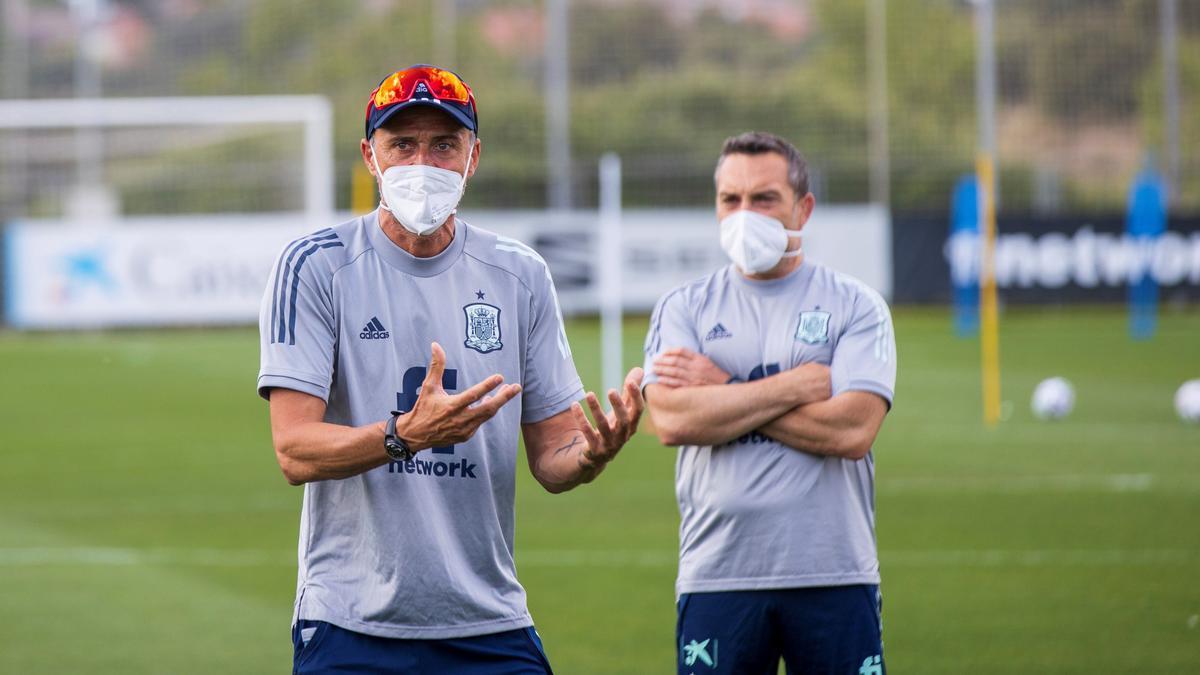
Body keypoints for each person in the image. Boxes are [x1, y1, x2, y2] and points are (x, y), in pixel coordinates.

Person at [257, 64, 644, 674]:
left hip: (489, 623)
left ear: (473, 156)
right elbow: (294, 450)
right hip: (351, 624)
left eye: (443, 144)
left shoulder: (520, 274)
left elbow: (552, 457)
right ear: (370, 155)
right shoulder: (316, 267)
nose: (421, 164)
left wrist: (589, 454)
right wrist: (405, 435)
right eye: (402, 144)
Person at [642, 131, 896, 675]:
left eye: (763, 199)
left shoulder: (856, 305)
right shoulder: (683, 307)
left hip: (835, 573)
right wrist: (798, 385)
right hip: (718, 575)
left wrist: (721, 390)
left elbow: (852, 431)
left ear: (802, 209)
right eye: (730, 200)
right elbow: (671, 418)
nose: (744, 214)